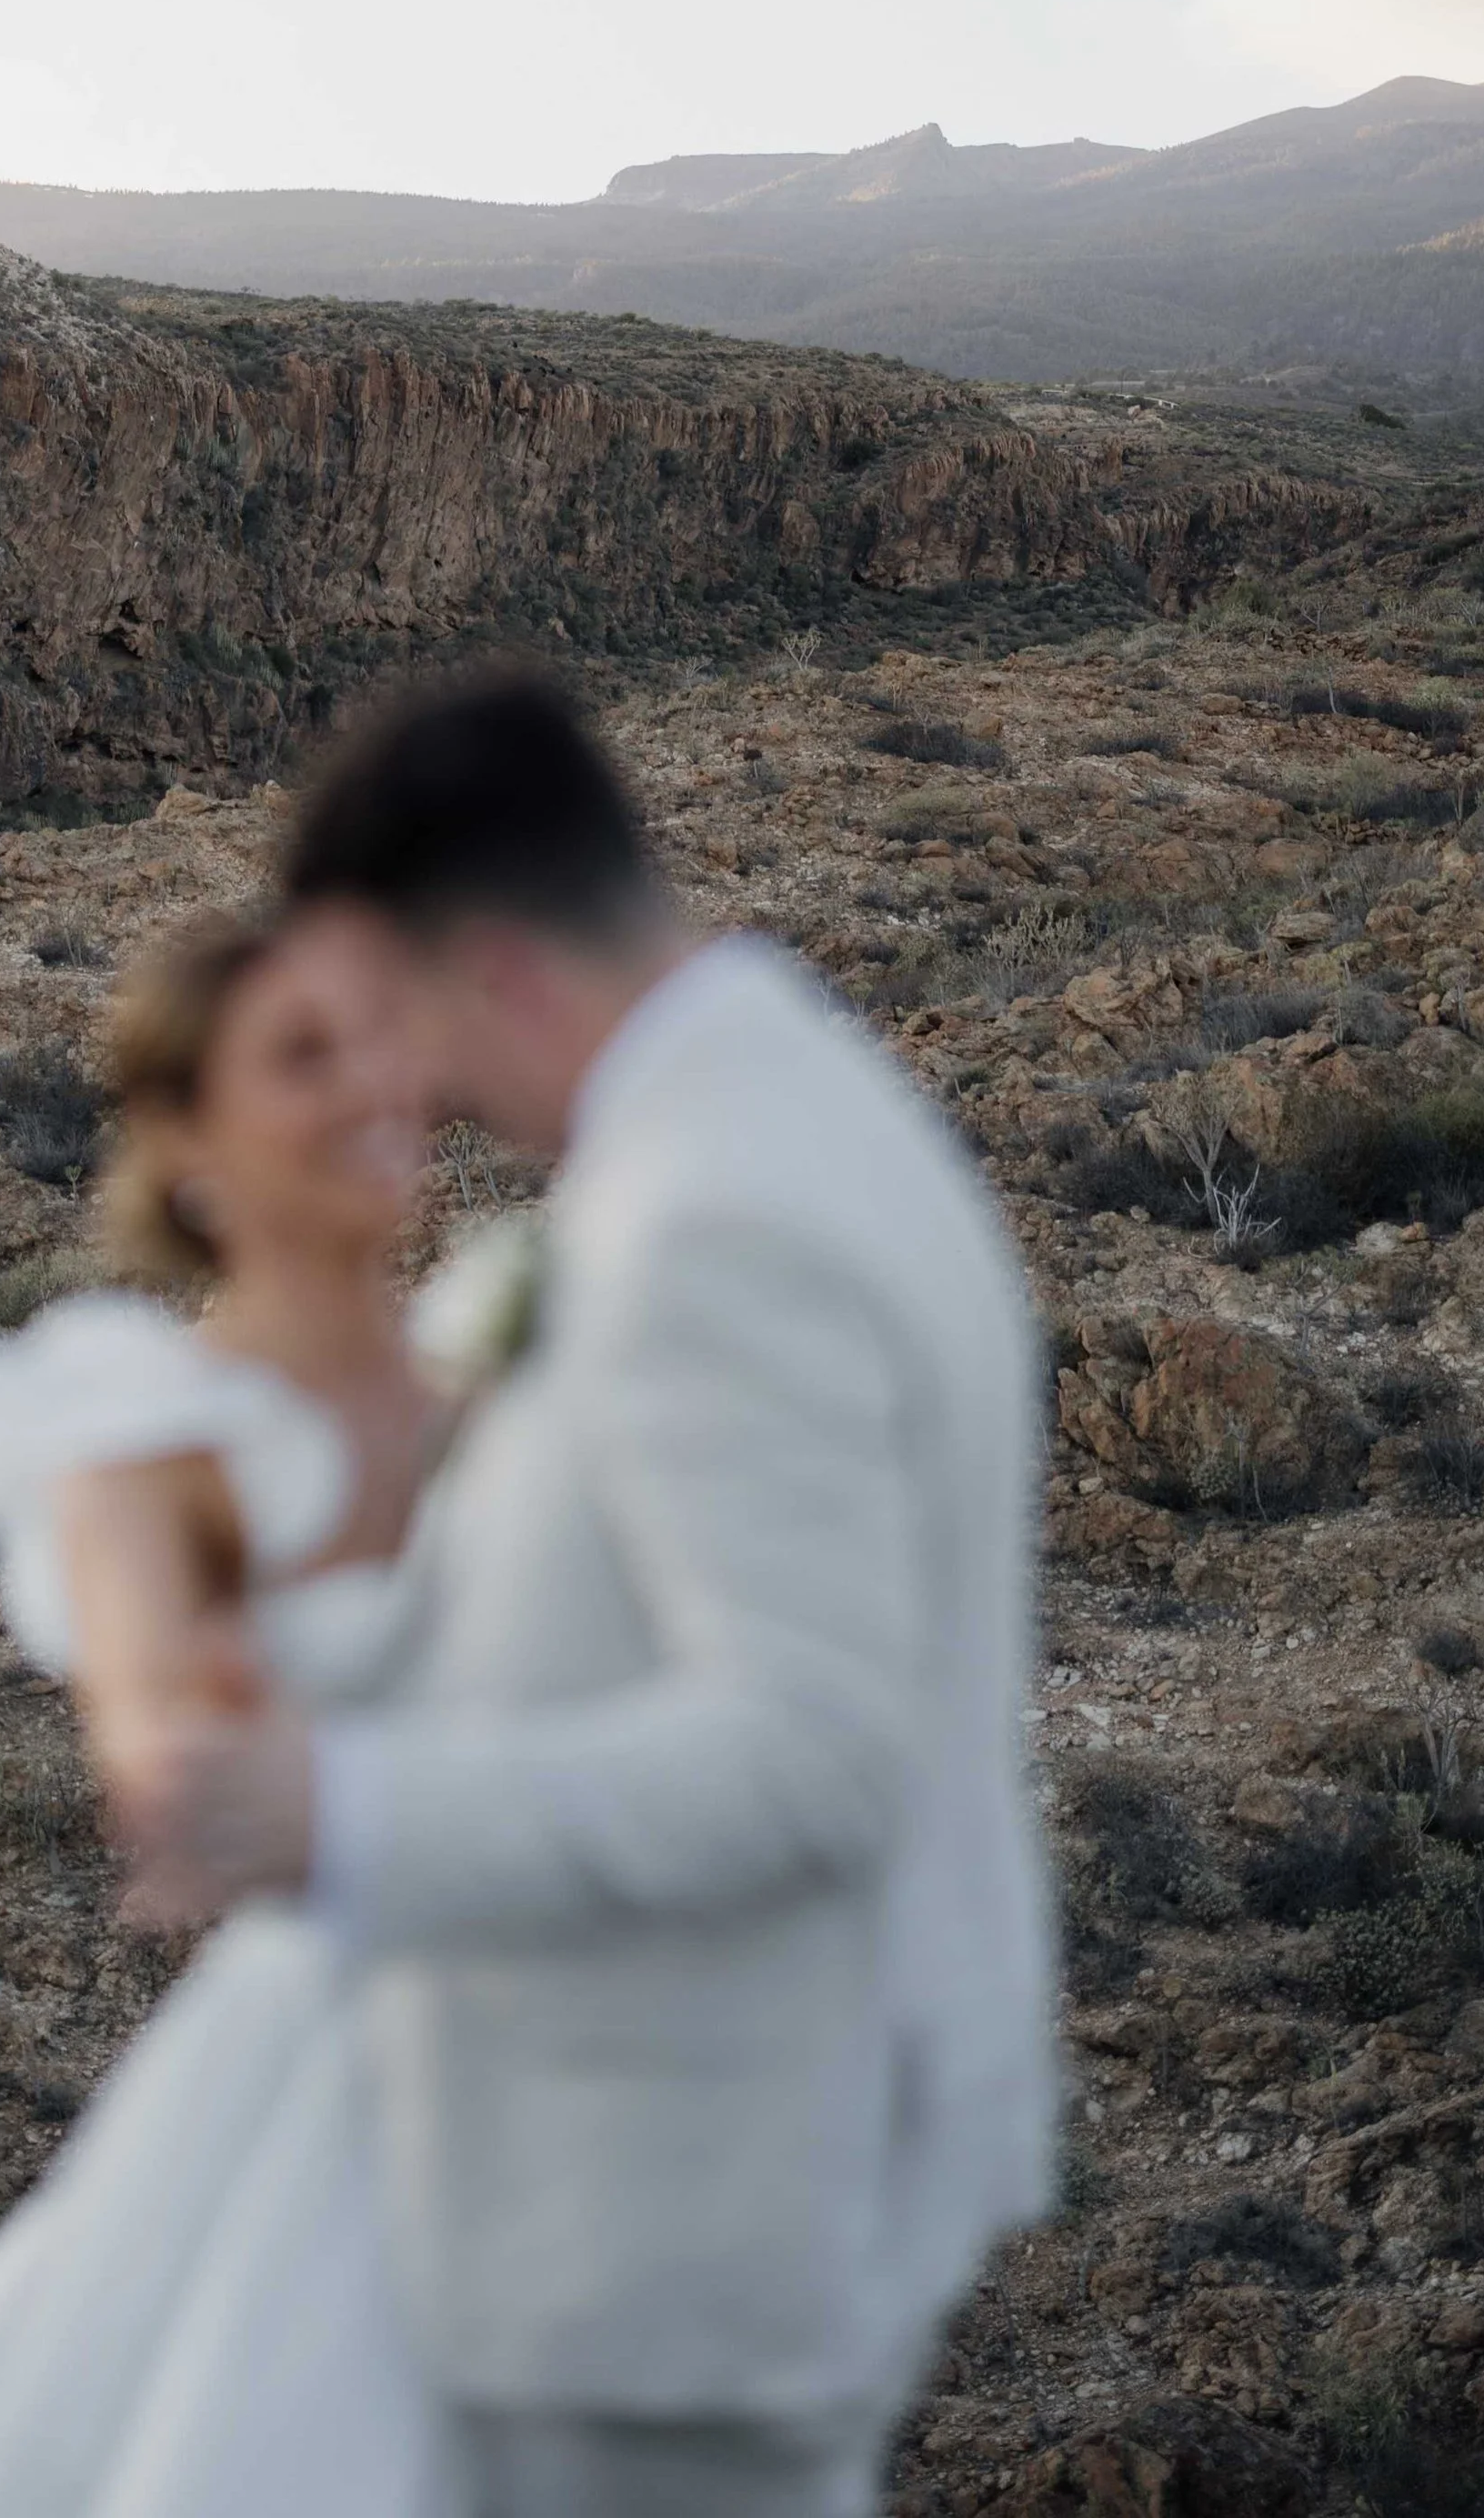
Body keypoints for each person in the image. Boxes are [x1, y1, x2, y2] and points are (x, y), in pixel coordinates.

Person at [120, 668, 1057, 2518]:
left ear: (497, 976)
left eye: (388, 1020)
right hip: (712, 2183)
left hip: (683, 2218)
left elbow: (808, 1754)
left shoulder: (709, 1222)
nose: (398, 1087)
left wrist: (342, 1807)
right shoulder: (792, 1095)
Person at [0, 909, 469, 2518]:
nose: (368, 1082)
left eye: (374, 1034)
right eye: (301, 1053)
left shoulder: (513, 1387)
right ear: (186, 1134)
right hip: (352, 2085)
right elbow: (150, 1722)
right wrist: (202, 1751)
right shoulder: (152, 1431)